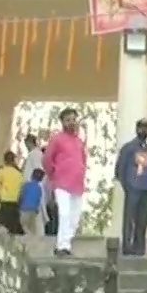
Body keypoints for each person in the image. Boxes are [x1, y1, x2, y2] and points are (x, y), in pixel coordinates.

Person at [43, 107, 88, 257]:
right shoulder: (57, 139)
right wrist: (53, 175)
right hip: (61, 183)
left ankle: (66, 243)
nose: (71, 123)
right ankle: (62, 246)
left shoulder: (79, 142)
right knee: (64, 213)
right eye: (68, 120)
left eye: (73, 119)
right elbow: (47, 160)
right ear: (62, 122)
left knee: (74, 217)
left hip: (77, 185)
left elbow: (83, 161)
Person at [115, 118, 147, 256]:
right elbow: (119, 170)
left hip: (146, 188)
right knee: (130, 218)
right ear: (137, 129)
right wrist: (128, 185)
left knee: (142, 219)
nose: (144, 131)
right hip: (133, 188)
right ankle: (128, 246)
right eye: (142, 128)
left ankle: (139, 247)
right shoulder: (129, 147)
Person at [0, 150, 24, 234]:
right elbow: (21, 189)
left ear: (4, 160)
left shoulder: (1, 171)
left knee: (0, 226)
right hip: (14, 202)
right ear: (13, 160)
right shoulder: (19, 174)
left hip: (3, 201)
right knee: (13, 228)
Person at [19, 169, 46, 236]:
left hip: (24, 208)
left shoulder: (26, 185)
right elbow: (38, 199)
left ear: (32, 175)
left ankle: (29, 235)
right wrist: (36, 208)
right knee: (31, 225)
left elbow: (21, 195)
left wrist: (19, 204)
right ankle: (31, 236)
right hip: (33, 209)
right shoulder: (39, 188)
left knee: (23, 224)